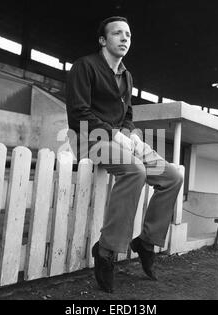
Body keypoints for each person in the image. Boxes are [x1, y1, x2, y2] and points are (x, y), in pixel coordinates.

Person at [66, 16, 183, 293]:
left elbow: (127, 114)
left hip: (120, 139)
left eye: (128, 35)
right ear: (103, 40)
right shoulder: (85, 66)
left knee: (172, 176)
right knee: (136, 171)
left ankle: (145, 241)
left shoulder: (127, 75)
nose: (124, 38)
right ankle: (105, 251)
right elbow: (78, 112)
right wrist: (111, 132)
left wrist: (128, 132)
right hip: (89, 137)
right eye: (117, 34)